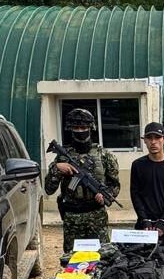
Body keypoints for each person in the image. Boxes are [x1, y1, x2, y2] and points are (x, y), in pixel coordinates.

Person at [45, 107, 120, 252]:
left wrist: (105, 196)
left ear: (91, 128)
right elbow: (49, 189)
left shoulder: (104, 155)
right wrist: (57, 168)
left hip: (96, 217)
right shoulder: (62, 157)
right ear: (70, 129)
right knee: (72, 260)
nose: (80, 131)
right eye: (76, 127)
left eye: (84, 127)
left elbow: (114, 184)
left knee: (101, 258)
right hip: (72, 217)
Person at [129, 122, 164, 251]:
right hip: (145, 224)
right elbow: (135, 194)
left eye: (157, 137)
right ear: (144, 141)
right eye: (149, 138)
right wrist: (144, 219)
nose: (153, 142)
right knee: (141, 263)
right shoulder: (138, 165)